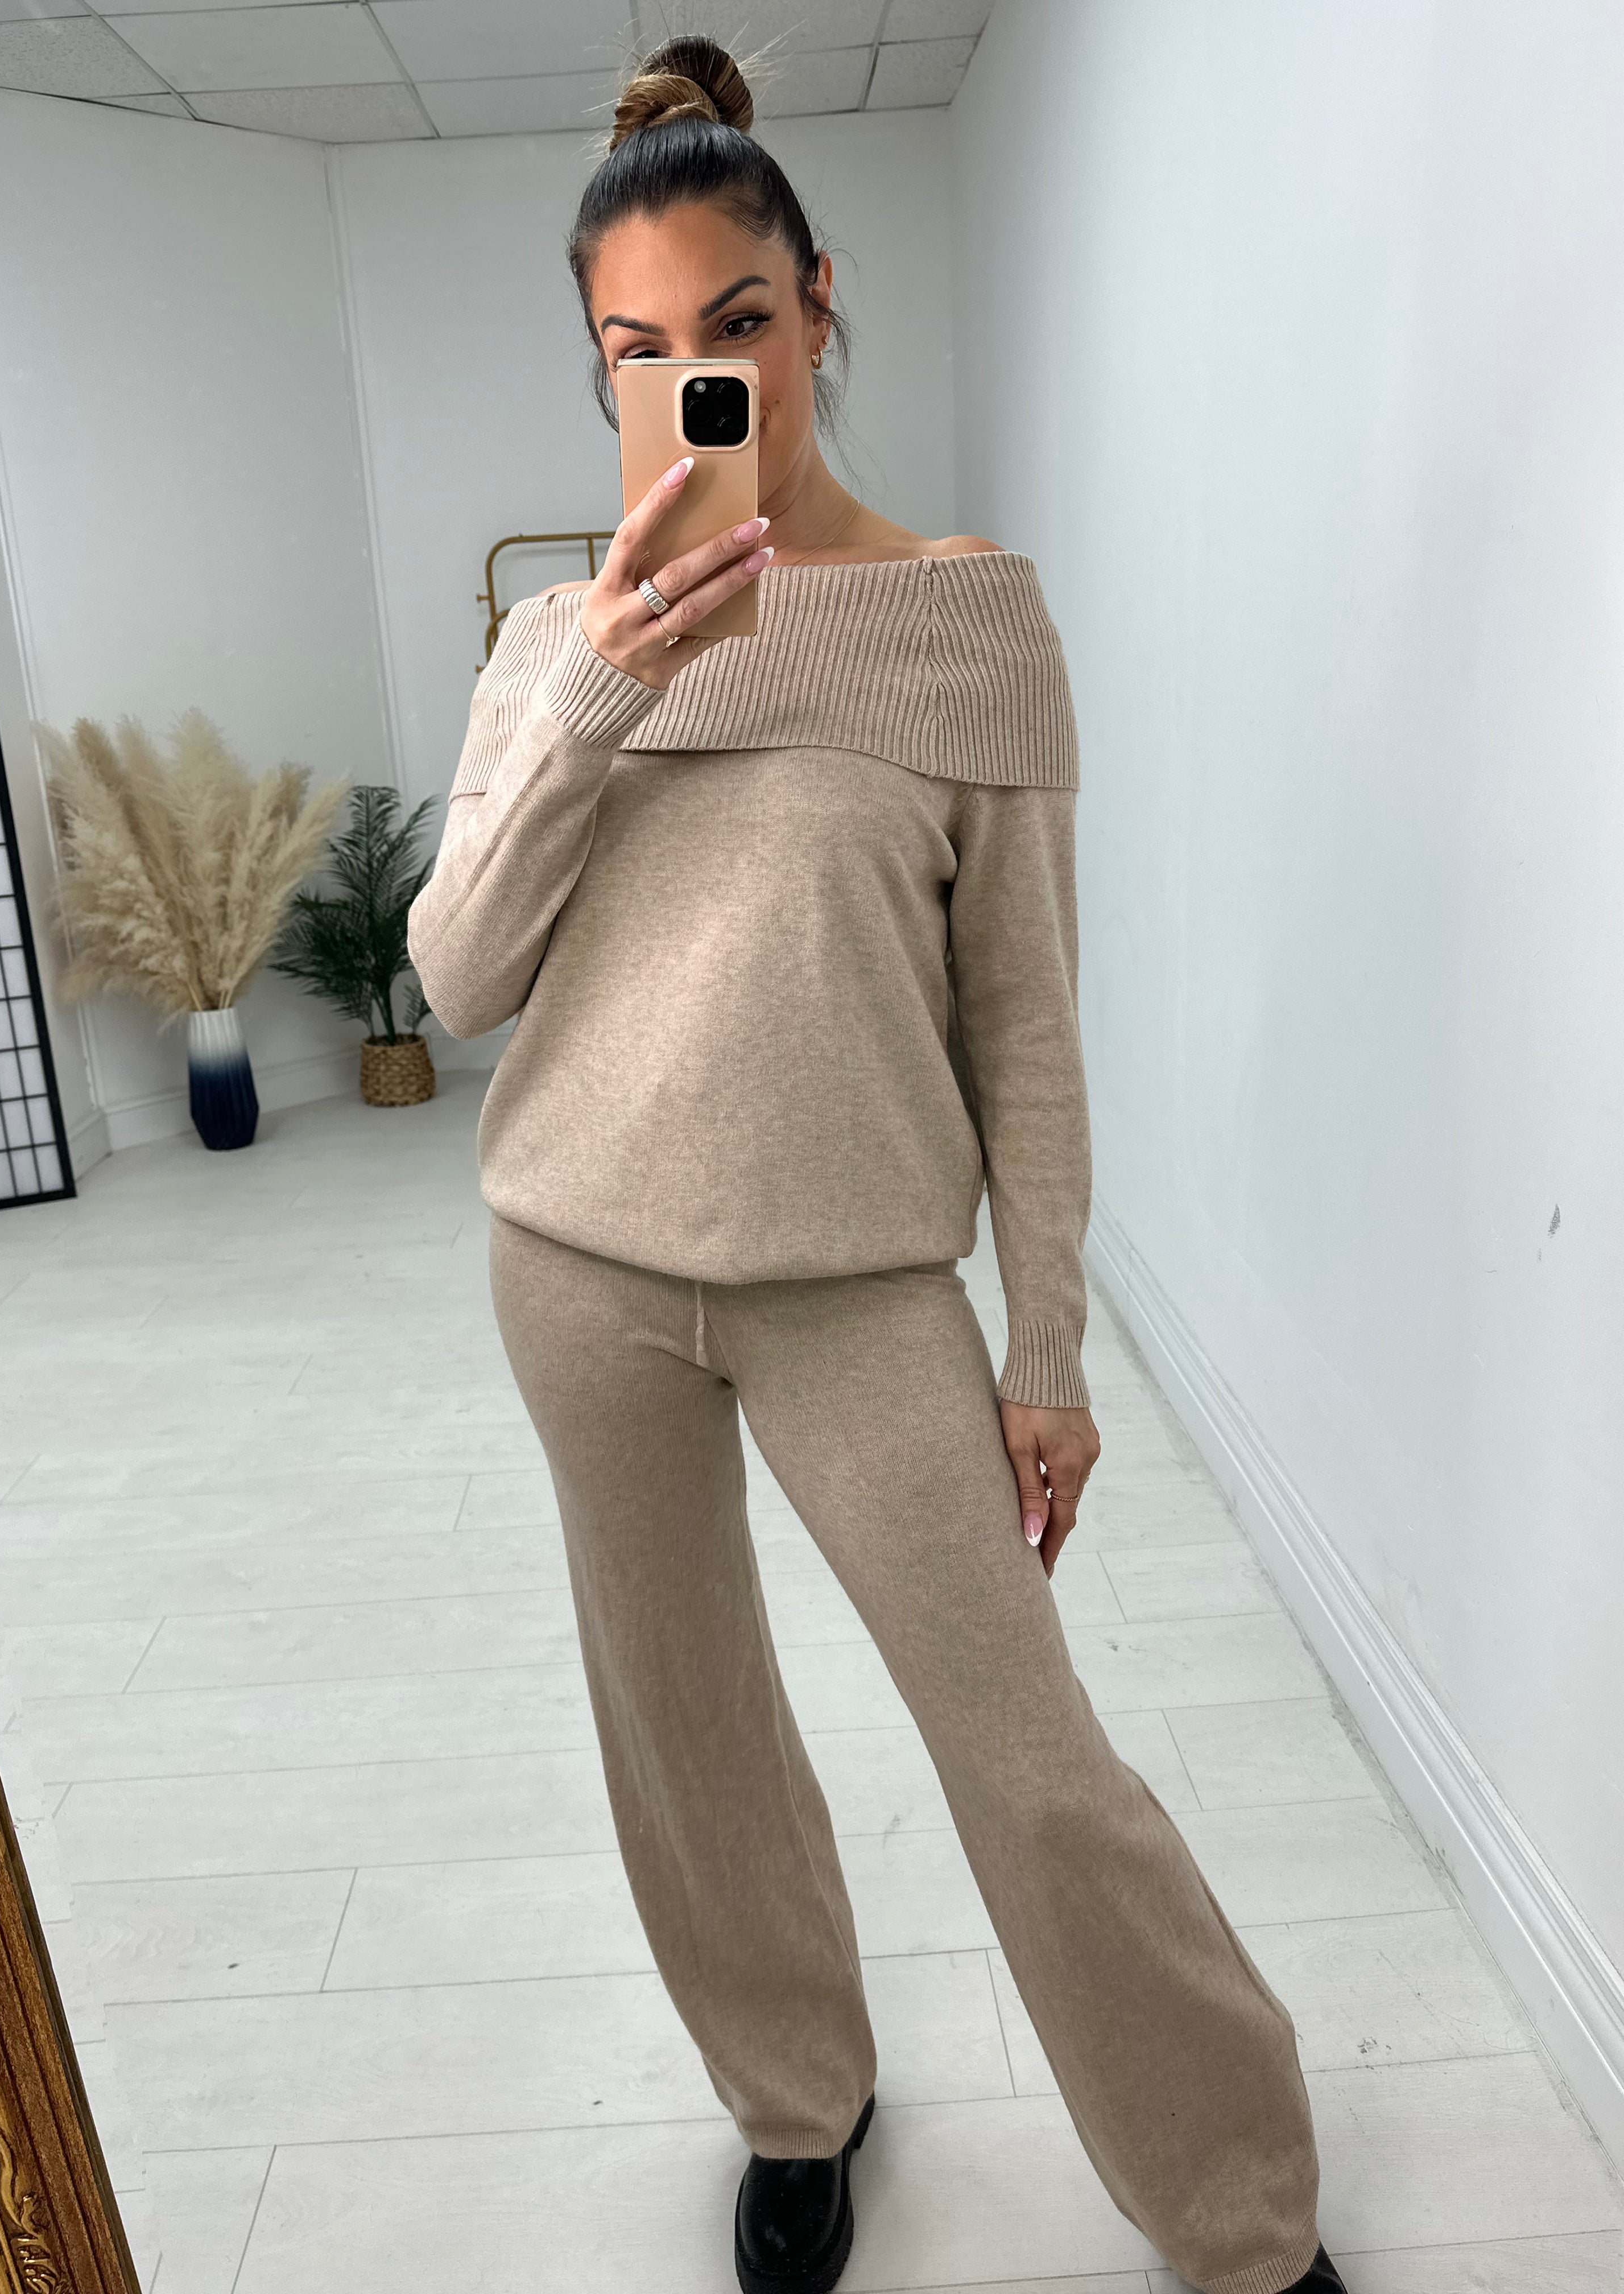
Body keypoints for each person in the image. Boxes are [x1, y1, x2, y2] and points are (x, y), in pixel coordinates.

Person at [408, 35, 1346, 2294]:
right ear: (598, 369)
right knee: (688, 1734)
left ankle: (1242, 2214)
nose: (695, 387)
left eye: (735, 326)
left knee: (1032, 1758)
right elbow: (456, 976)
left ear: (820, 307)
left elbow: (1026, 1019)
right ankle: (794, 2105)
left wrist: (1049, 1346)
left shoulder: (967, 619)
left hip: (857, 1288)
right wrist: (598, 691)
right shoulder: (547, 646)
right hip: (576, 1271)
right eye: (639, 350)